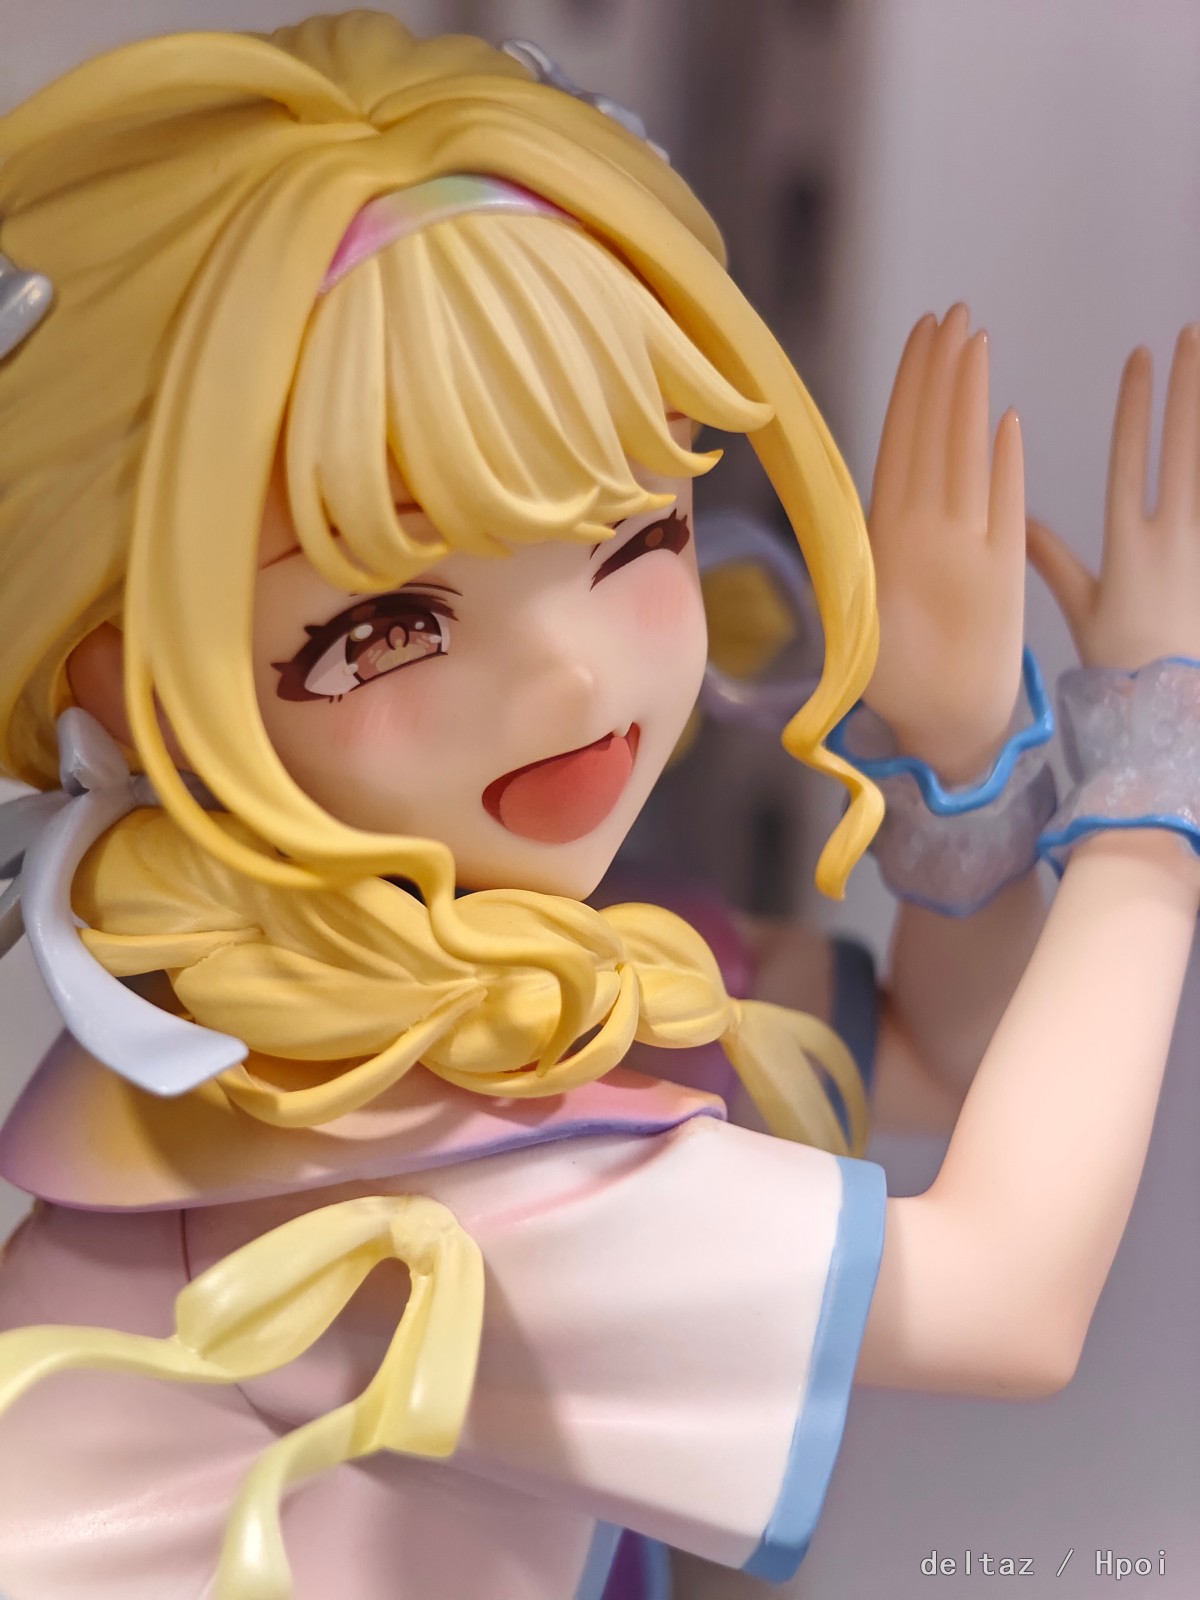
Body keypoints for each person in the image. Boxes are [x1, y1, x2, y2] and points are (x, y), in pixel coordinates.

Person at [0, 15, 1194, 1600]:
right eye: (385, 627)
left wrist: (960, 750)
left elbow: (939, 1059)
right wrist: (1148, 774)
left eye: (638, 536)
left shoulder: (472, 981)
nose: (572, 680)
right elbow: (1006, 1299)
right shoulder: (391, 1153)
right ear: (126, 680)